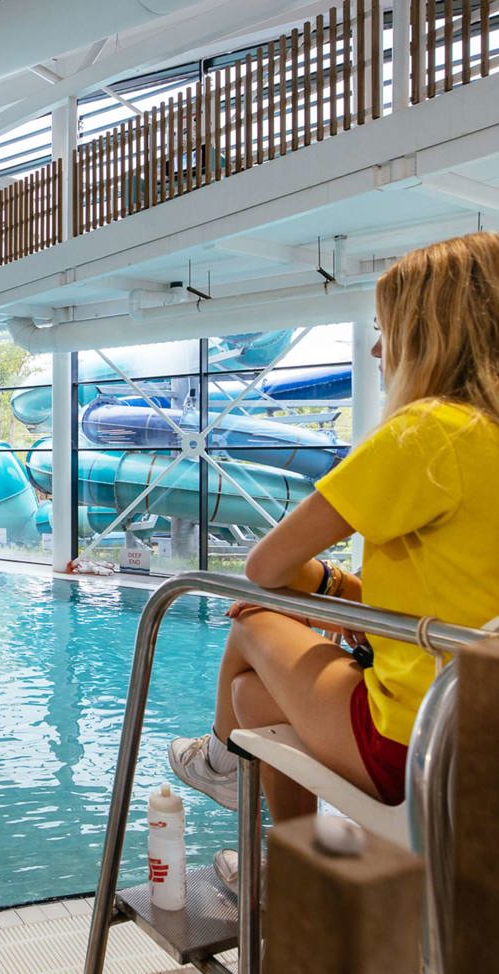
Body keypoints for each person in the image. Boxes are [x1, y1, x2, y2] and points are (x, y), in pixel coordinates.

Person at [166, 232, 499, 889]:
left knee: (254, 620)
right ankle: (280, 859)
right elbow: (462, 585)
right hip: (485, 733)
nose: (376, 348)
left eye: (386, 328)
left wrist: (318, 589)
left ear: (428, 331)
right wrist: (352, 600)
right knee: (250, 696)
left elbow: (265, 567)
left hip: (423, 743)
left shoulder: (430, 431)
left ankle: (217, 762)